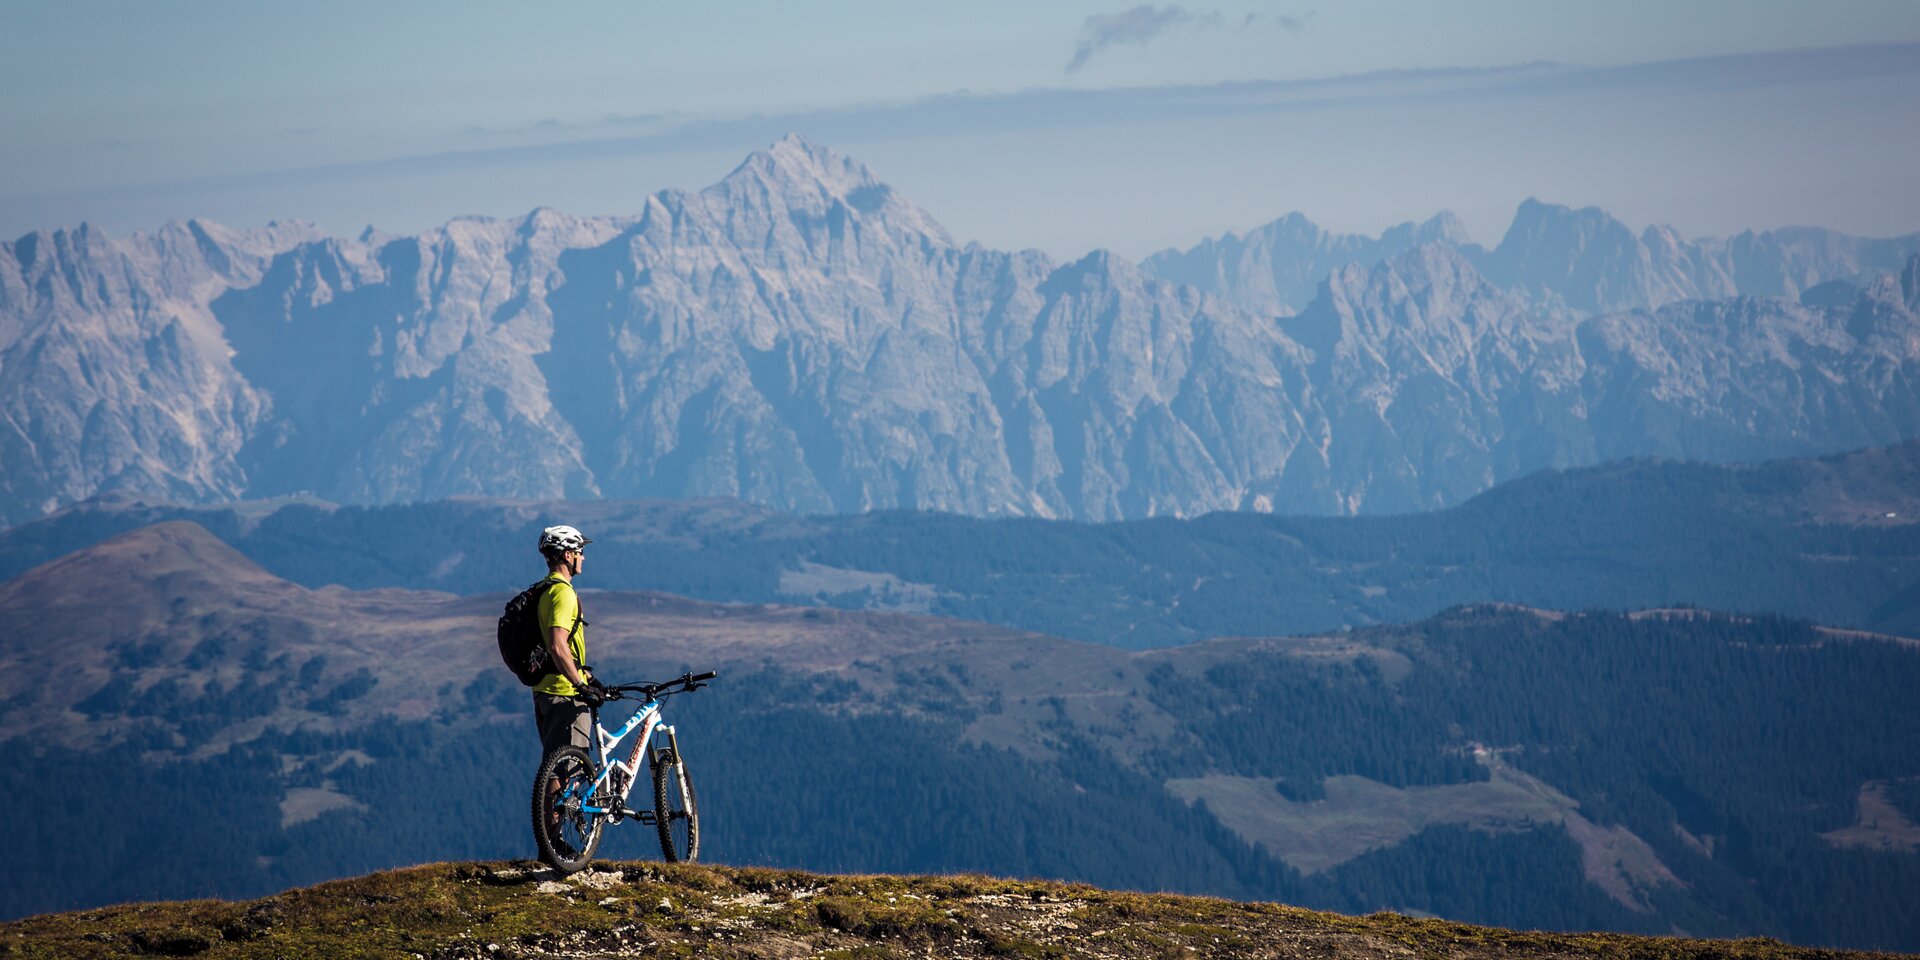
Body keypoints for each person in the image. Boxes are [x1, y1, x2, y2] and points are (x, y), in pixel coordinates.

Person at [531, 524, 606, 758]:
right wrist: (579, 684)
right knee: (565, 767)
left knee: (559, 762)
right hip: (564, 694)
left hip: (546, 688)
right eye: (580, 552)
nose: (583, 557)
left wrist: (588, 676)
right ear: (568, 555)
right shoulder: (562, 593)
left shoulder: (544, 588)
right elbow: (557, 644)